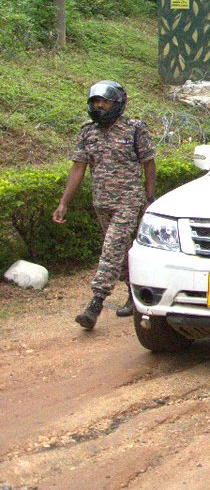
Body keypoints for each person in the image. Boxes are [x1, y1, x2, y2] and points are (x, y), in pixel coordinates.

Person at [53, 81, 157, 330]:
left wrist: (149, 198)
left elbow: (149, 163)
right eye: (95, 101)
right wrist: (63, 203)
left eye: (105, 101)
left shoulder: (134, 129)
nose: (99, 106)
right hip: (102, 202)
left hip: (129, 201)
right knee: (120, 252)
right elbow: (78, 167)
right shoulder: (87, 132)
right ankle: (135, 297)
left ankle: (95, 303)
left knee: (111, 249)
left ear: (117, 104)